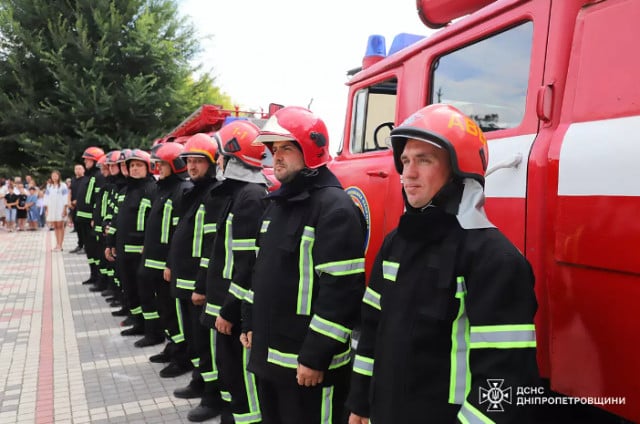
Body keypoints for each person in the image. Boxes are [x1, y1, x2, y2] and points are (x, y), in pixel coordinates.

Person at [345, 104, 539, 424]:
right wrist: (360, 403)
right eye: (406, 160)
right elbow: (371, 331)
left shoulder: (494, 259)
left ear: (458, 170)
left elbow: (506, 380)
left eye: (424, 160)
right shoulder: (396, 243)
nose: (408, 173)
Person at [241, 106, 366, 424]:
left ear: (310, 149)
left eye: (286, 147)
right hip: (270, 360)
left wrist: (316, 355)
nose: (276, 157)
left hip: (308, 368)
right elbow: (260, 272)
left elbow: (342, 294)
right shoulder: (277, 205)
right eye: (273, 149)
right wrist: (249, 321)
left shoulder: (334, 208)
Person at [187, 120, 269, 423]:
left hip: (232, 309)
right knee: (230, 372)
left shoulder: (250, 197)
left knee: (241, 376)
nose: (217, 162)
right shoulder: (239, 194)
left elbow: (247, 264)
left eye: (220, 156)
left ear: (234, 157)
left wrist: (230, 310)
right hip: (223, 304)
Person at [163, 134, 224, 413]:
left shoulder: (214, 195)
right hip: (184, 279)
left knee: (206, 342)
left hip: (199, 285)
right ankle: (200, 380)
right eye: (189, 161)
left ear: (212, 164)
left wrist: (201, 285)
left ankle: (212, 397)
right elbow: (180, 234)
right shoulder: (190, 192)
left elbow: (210, 246)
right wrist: (171, 265)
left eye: (199, 161)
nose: (192, 166)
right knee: (195, 338)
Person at [136, 142, 191, 350]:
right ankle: (172, 347)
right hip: (155, 263)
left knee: (172, 311)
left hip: (166, 266)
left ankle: (180, 353)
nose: (158, 170)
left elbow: (178, 234)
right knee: (164, 309)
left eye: (163, 165)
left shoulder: (181, 191)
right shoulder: (163, 189)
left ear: (175, 165)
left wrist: (170, 263)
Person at [75, 147, 106, 286]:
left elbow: (98, 200)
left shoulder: (99, 176)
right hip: (83, 219)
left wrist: (95, 217)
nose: (85, 161)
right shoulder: (88, 176)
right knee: (89, 249)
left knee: (95, 249)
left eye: (87, 159)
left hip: (91, 220)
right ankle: (93, 275)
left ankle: (99, 277)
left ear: (95, 160)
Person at [44, 171, 69, 250]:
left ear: (58, 176)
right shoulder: (49, 186)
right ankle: (57, 244)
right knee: (55, 226)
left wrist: (65, 209)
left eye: (56, 176)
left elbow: (65, 197)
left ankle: (60, 245)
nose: (54, 177)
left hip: (60, 208)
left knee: (60, 226)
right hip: (52, 208)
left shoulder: (63, 185)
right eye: (53, 176)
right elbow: (46, 198)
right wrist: (47, 209)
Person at [69, 163, 86, 251]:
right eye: (76, 169)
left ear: (83, 170)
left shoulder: (86, 180)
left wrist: (77, 201)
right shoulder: (73, 180)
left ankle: (86, 246)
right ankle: (80, 245)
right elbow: (70, 191)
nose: (78, 170)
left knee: (83, 227)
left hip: (82, 207)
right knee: (77, 227)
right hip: (73, 206)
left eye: (80, 168)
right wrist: (69, 202)